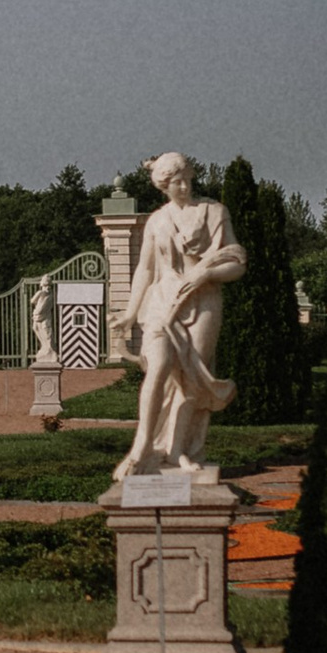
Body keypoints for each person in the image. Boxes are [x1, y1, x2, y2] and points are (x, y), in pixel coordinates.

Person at [114, 155, 244, 479]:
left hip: (204, 304)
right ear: (163, 185)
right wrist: (131, 313)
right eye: (176, 182)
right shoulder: (156, 221)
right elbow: (145, 269)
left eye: (187, 179)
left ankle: (177, 451)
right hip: (162, 302)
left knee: (190, 380)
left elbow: (237, 263)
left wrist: (203, 276)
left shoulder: (214, 212)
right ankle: (142, 447)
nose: (184, 186)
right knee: (157, 366)